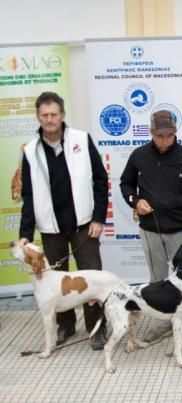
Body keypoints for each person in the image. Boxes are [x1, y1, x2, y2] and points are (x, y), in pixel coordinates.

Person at [19, 91, 108, 350]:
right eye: (45, 115)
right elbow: (28, 195)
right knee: (55, 282)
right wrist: (26, 233)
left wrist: (98, 217)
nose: (49, 119)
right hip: (50, 228)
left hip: (84, 226)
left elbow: (101, 180)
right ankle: (66, 326)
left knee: (92, 279)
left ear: (62, 115)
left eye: (54, 114)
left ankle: (97, 329)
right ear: (38, 117)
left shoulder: (81, 139)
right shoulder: (30, 151)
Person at [120, 109, 182, 342]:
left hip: (180, 230)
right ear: (151, 132)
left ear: (175, 132)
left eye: (169, 135)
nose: (165, 140)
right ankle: (162, 322)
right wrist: (135, 201)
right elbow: (125, 184)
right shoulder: (139, 155)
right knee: (157, 280)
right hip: (150, 230)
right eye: (160, 136)